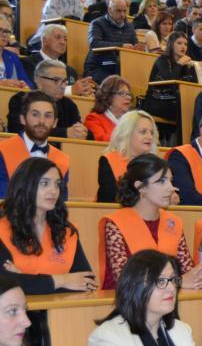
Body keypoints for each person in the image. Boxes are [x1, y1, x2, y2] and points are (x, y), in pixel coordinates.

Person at [99, 154, 202, 290]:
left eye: (170, 181)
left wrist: (200, 277)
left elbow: (188, 270)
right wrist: (177, 282)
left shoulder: (172, 222)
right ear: (141, 187)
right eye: (161, 181)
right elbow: (125, 280)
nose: (171, 188)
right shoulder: (116, 224)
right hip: (129, 305)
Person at [0, 157, 95, 295]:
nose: (53, 191)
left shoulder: (66, 231)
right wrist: (62, 280)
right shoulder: (2, 228)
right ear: (25, 186)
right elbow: (3, 282)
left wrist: (25, 280)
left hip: (59, 313)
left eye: (57, 184)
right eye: (45, 183)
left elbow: (88, 282)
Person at [0, 92, 70, 199]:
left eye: (47, 116)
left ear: (55, 122)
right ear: (23, 119)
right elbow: (3, 201)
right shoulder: (3, 151)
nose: (41, 121)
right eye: (35, 114)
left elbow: (61, 204)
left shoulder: (62, 160)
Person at [8, 59, 88, 139]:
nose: (63, 86)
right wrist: (65, 133)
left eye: (64, 81)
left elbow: (81, 131)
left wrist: (82, 132)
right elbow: (18, 129)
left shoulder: (68, 105)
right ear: (38, 80)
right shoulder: (21, 99)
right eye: (56, 80)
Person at [96, 110, 158, 203]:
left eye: (152, 133)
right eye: (143, 132)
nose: (149, 137)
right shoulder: (110, 161)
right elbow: (110, 200)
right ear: (127, 133)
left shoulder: (156, 164)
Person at [84, 0, 142, 83]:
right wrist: (121, 46)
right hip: (99, 65)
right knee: (116, 83)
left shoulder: (129, 26)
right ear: (110, 10)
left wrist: (137, 48)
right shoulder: (97, 23)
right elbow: (94, 43)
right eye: (118, 11)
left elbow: (135, 45)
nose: (122, 14)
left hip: (121, 65)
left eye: (124, 11)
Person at [142, 32, 197, 123]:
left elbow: (190, 84)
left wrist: (191, 69)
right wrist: (179, 64)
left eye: (185, 44)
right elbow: (169, 81)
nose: (183, 46)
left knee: (190, 109)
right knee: (184, 112)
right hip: (157, 101)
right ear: (171, 45)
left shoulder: (185, 62)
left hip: (172, 102)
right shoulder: (162, 59)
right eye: (179, 43)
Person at [84, 75, 133, 142]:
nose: (128, 97)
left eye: (128, 94)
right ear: (108, 96)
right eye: (122, 93)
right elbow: (101, 140)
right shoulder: (94, 119)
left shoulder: (131, 122)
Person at [0, 16, 33, 88]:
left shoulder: (12, 56)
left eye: (6, 31)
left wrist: (23, 85)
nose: (5, 34)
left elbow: (28, 83)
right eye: (0, 30)